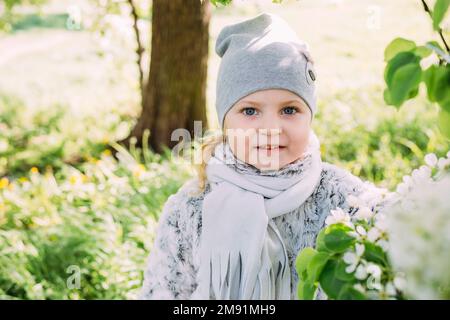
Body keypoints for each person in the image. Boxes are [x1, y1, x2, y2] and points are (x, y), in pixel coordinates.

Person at [139, 12, 388, 300]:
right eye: (250, 111)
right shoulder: (191, 207)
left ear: (310, 115)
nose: (270, 128)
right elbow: (162, 293)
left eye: (289, 110)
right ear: (225, 120)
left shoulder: (343, 199)